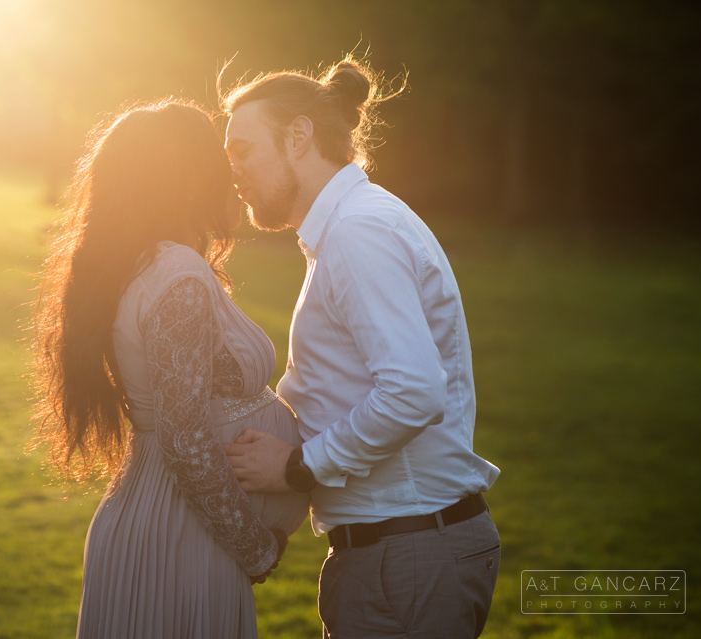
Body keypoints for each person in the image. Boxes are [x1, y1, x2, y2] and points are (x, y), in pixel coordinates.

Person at [220, 57, 502, 638]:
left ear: (298, 137)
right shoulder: (350, 227)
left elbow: (414, 391)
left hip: (407, 553)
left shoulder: (358, 231)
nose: (234, 173)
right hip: (404, 551)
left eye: (242, 151)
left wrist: (299, 467)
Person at [30, 98, 309, 639]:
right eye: (215, 164)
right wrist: (255, 548)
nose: (230, 179)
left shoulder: (140, 264)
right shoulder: (176, 276)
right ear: (185, 182)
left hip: (157, 518)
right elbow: (184, 438)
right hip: (182, 538)